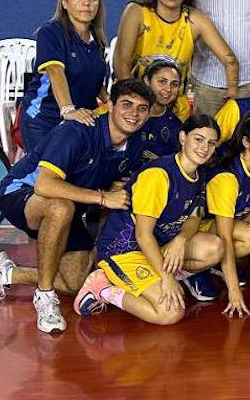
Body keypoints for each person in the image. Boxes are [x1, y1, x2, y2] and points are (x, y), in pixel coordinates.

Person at [0, 79, 153, 333]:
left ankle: (8, 274)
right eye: (126, 104)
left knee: (75, 282)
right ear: (109, 105)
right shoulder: (78, 131)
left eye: (142, 108)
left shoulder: (135, 146)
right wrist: (102, 197)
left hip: (72, 204)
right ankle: (44, 296)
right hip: (21, 193)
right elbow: (44, 185)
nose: (133, 113)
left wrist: (113, 194)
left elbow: (114, 190)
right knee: (60, 208)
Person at [73, 116, 225, 324]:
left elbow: (194, 216)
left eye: (211, 143)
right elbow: (143, 235)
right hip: (124, 252)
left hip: (158, 247)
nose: (204, 147)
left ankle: (156, 279)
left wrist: (181, 240)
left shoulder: (198, 173)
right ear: (182, 137)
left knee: (214, 247)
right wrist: (168, 278)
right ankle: (104, 288)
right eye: (198, 139)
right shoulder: (158, 175)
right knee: (171, 313)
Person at [113, 0, 241, 121]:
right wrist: (137, 102)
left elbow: (230, 60)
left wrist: (232, 91)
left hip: (174, 110)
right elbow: (120, 61)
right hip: (135, 105)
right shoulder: (137, 12)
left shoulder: (195, 20)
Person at [190, 115, 250, 312]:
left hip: (232, 220)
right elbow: (225, 235)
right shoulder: (227, 177)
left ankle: (216, 264)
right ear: (245, 142)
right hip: (199, 227)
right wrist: (233, 290)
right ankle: (194, 270)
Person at [18, 0, 110, 150]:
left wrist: (111, 102)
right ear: (64, 2)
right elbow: (55, 71)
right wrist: (68, 110)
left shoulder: (96, 41)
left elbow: (93, 82)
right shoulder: (51, 32)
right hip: (43, 117)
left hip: (81, 118)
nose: (86, 3)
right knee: (45, 174)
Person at [137, 59, 184, 162]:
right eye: (162, 81)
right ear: (147, 81)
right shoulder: (126, 114)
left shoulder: (177, 127)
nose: (168, 89)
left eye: (174, 84)